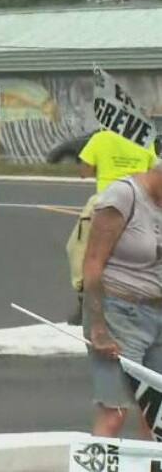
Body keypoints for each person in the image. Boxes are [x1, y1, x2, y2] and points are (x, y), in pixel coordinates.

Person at [82, 163, 162, 438]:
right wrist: (98, 328)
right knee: (114, 413)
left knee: (158, 419)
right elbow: (92, 263)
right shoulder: (124, 196)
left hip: (158, 316)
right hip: (118, 313)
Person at [67, 130, 159, 324]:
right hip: (141, 202)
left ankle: (83, 298)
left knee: (79, 250)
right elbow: (153, 171)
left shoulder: (101, 138)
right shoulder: (145, 139)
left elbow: (85, 172)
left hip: (106, 203)